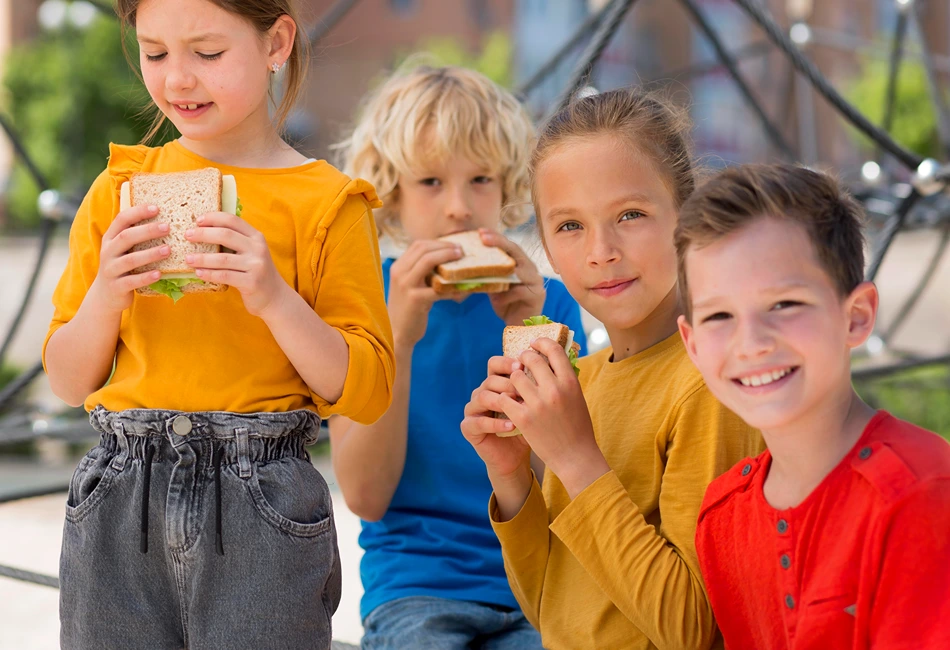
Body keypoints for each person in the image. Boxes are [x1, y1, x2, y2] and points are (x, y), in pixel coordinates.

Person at [42, 1, 395, 648]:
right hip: (121, 498)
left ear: (276, 43)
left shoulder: (328, 204)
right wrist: (106, 295)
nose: (177, 79)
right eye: (154, 53)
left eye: (207, 53)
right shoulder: (120, 189)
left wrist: (273, 297)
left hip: (261, 503)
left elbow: (366, 389)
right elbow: (67, 379)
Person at [461, 88, 761, 649]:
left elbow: (692, 631)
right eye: (570, 226)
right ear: (546, 242)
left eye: (631, 214)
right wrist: (511, 478)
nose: (601, 250)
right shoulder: (585, 381)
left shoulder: (709, 384)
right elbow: (555, 610)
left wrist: (576, 458)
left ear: (688, 218)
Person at [331, 64, 585, 649]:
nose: (458, 209)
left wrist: (531, 334)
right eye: (430, 183)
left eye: (480, 180)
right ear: (391, 192)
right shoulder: (364, 306)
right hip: (415, 591)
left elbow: (568, 488)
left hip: (539, 588)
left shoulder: (553, 307)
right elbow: (367, 496)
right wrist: (399, 333)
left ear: (508, 187)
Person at [676, 163, 950, 649]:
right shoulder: (721, 516)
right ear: (693, 345)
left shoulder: (921, 491)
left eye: (784, 304)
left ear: (857, 317)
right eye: (719, 315)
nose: (752, 343)